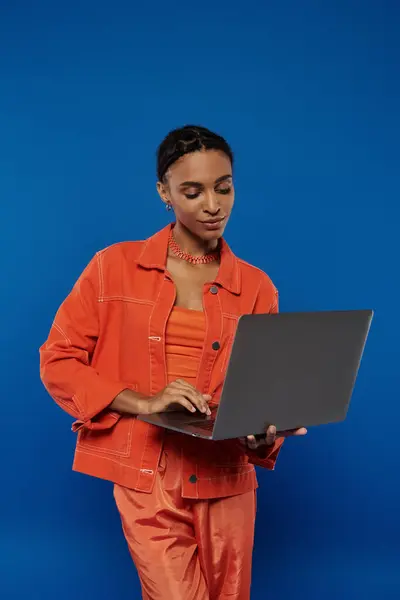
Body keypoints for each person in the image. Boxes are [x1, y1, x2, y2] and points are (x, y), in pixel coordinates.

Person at [39, 125, 307, 600]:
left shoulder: (257, 286)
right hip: (148, 477)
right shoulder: (112, 267)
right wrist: (143, 402)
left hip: (227, 476)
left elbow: (259, 390)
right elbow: (58, 361)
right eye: (193, 190)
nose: (212, 204)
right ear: (164, 192)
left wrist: (265, 431)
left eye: (223, 187)